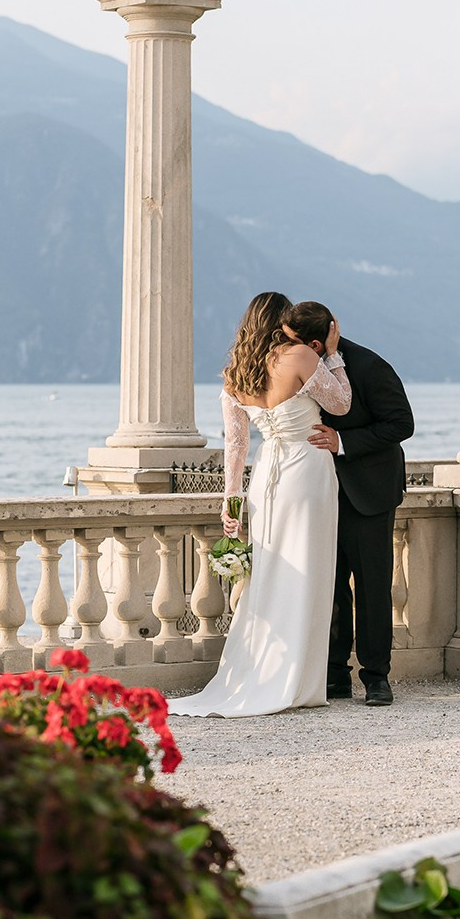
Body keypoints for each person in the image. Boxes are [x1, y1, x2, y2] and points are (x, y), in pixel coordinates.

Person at [169, 291, 352, 717]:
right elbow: (341, 404)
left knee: (270, 573)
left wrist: (231, 504)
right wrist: (333, 355)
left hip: (266, 475)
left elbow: (235, 446)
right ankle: (299, 680)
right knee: (309, 570)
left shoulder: (235, 374)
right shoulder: (301, 357)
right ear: (281, 323)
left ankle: (267, 671)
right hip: (306, 469)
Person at [292, 305, 415, 706]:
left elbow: (402, 424)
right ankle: (334, 675)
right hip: (320, 491)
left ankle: (377, 678)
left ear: (314, 344)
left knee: (372, 587)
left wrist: (343, 442)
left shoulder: (369, 365)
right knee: (329, 586)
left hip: (370, 492)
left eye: (293, 342)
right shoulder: (301, 365)